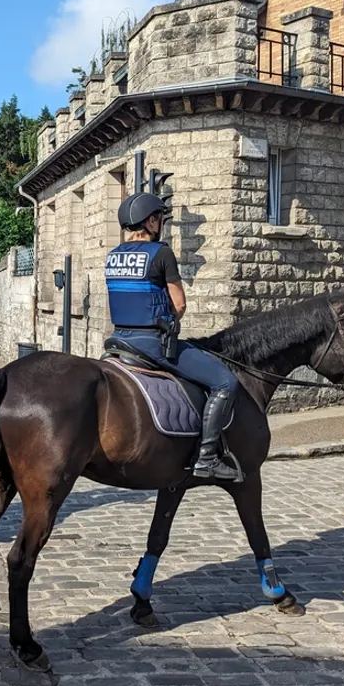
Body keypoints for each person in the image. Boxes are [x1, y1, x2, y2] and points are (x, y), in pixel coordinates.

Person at [104, 192, 240, 481]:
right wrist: (168, 321)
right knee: (225, 382)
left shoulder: (113, 256)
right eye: (160, 219)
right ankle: (207, 457)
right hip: (151, 344)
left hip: (118, 340)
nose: (161, 225)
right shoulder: (161, 253)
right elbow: (179, 304)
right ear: (151, 221)